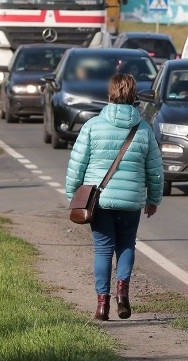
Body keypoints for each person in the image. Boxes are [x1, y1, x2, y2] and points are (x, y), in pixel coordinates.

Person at [65, 73, 164, 321]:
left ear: (109, 95)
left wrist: (73, 196)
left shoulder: (92, 126)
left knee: (102, 250)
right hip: (130, 200)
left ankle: (102, 305)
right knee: (126, 245)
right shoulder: (143, 129)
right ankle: (122, 294)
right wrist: (153, 199)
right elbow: (155, 169)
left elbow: (76, 165)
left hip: (99, 200)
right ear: (133, 97)